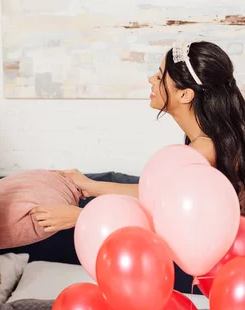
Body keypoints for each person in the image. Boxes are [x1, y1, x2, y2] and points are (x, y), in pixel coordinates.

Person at [31, 39, 245, 231]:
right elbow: (155, 193)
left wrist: (82, 216)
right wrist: (90, 185)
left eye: (160, 75)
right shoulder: (210, 142)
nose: (151, 79)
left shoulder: (203, 152)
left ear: (185, 94)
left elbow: (164, 216)